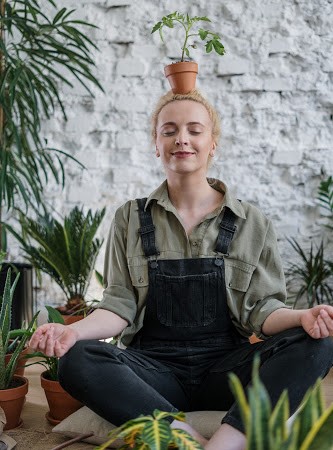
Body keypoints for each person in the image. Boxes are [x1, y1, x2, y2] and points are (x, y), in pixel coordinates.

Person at [29, 89, 333, 450]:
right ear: (156, 144)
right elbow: (117, 306)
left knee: (319, 342)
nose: (182, 139)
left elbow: (262, 313)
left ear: (212, 143)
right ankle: (184, 437)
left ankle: (225, 443)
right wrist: (73, 334)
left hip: (226, 372)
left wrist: (305, 317)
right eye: (169, 130)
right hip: (154, 373)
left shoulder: (252, 222)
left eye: (194, 129)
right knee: (76, 360)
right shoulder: (130, 217)